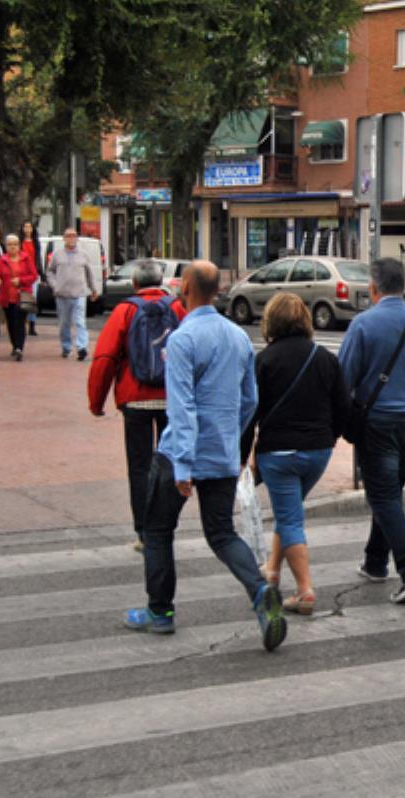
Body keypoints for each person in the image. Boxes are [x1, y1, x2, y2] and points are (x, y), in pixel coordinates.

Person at [123, 260, 287, 652]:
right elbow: (250, 400)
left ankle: (160, 612)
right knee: (221, 533)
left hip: (182, 451)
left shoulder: (183, 339)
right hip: (222, 452)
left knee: (158, 530)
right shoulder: (238, 337)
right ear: (216, 291)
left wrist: (182, 465)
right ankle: (260, 590)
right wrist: (229, 435)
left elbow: (181, 406)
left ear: (185, 290)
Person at [241, 293, 349, 615]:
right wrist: (329, 437)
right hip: (317, 452)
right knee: (290, 511)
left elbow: (250, 411)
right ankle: (272, 569)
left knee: (289, 517)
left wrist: (245, 453)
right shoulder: (325, 358)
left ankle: (304, 591)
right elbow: (343, 407)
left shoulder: (265, 360)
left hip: (279, 453)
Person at [338, 257, 405, 604]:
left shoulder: (364, 324)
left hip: (379, 420)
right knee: (390, 490)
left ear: (374, 287)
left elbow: (344, 377)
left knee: (381, 495)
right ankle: (375, 561)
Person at [87, 260, 187, 552]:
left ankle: (144, 531)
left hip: (135, 397)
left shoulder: (125, 310)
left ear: (134, 284)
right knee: (170, 463)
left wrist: (97, 401)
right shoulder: (178, 308)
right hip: (172, 398)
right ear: (162, 281)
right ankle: (166, 524)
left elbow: (105, 357)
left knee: (140, 466)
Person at [47, 228, 98, 361]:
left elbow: (89, 274)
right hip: (62, 293)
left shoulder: (83, 254)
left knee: (80, 321)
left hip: (79, 293)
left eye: (74, 236)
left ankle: (82, 347)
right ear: (64, 238)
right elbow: (50, 271)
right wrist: (55, 285)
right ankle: (66, 347)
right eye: (68, 236)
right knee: (64, 323)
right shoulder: (57, 254)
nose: (71, 238)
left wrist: (93, 289)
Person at [0, 234, 38, 362]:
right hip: (7, 296)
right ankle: (14, 344)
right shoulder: (3, 260)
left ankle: (19, 348)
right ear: (6, 246)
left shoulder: (26, 258)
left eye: (15, 244)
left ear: (19, 246)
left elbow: (34, 276)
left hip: (23, 295)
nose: (12, 247)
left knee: (20, 322)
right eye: (10, 244)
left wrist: (21, 280)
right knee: (11, 323)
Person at [20, 221, 42, 337]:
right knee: (23, 299)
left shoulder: (36, 242)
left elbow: (38, 258)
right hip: (22, 274)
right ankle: (22, 322)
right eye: (26, 227)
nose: (28, 229)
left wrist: (41, 273)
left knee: (33, 300)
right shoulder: (20, 242)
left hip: (33, 274)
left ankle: (32, 325)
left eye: (30, 227)